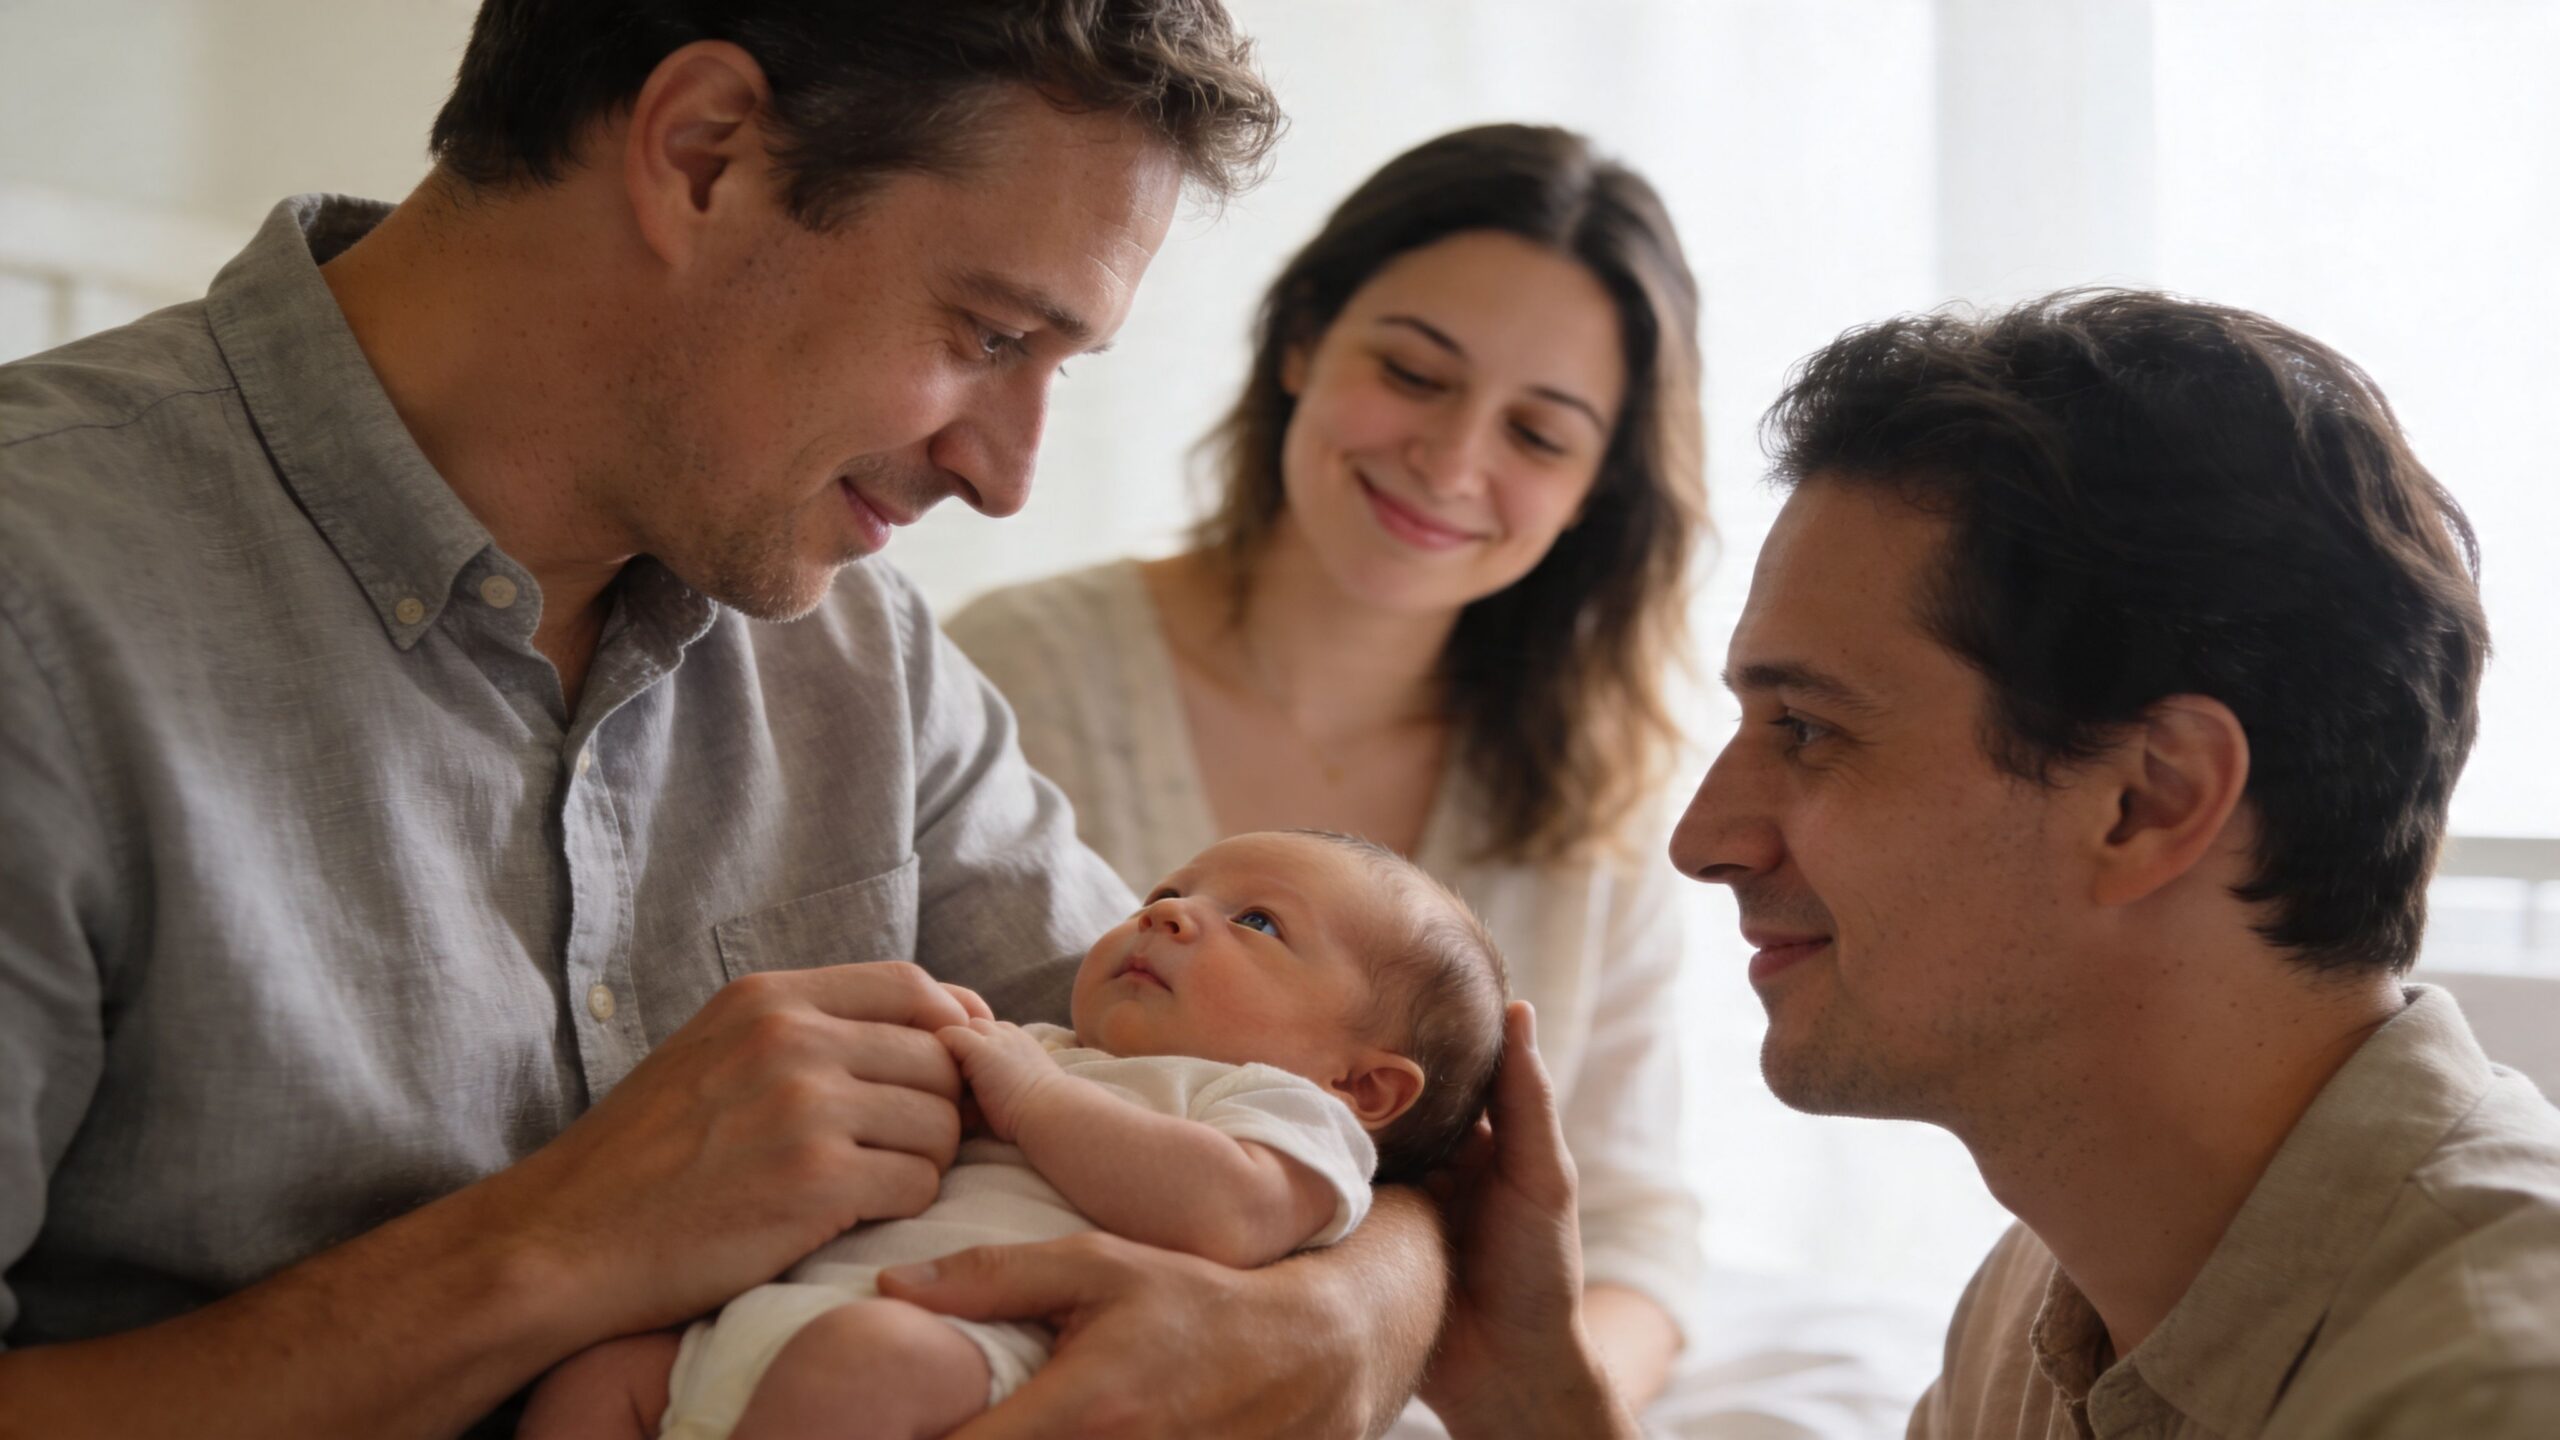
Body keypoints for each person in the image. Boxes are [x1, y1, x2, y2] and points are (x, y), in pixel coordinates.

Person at [0, 6, 1462, 1438]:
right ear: (701, 154)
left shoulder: (857, 648)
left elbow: (1333, 1103)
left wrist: (1343, 1320)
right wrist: (556, 1249)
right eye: (991, 331)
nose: (1005, 475)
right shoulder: (38, 610)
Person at [1653, 290, 2554, 1437]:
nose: (1704, 842)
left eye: (1810, 731)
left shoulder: (2491, 1392)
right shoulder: (2055, 1282)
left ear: (2149, 800)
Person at [945, 121, 1710, 1431]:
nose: (1452, 462)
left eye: (1540, 433)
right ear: (1302, 339)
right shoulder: (1018, 671)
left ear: (1595, 492)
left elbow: (1639, 1244)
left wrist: (1514, 1400)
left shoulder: (1602, 798)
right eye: (1413, 373)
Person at [519, 829, 1506, 1440]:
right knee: (599, 1376)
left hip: (974, 1368)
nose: (1169, 919)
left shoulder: (1281, 1115)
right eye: (1164, 897)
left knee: (860, 1365)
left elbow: (1225, 1214)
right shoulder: (1037, 1041)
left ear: (1364, 1083)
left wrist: (1028, 1093)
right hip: (767, 1329)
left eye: (1255, 922)